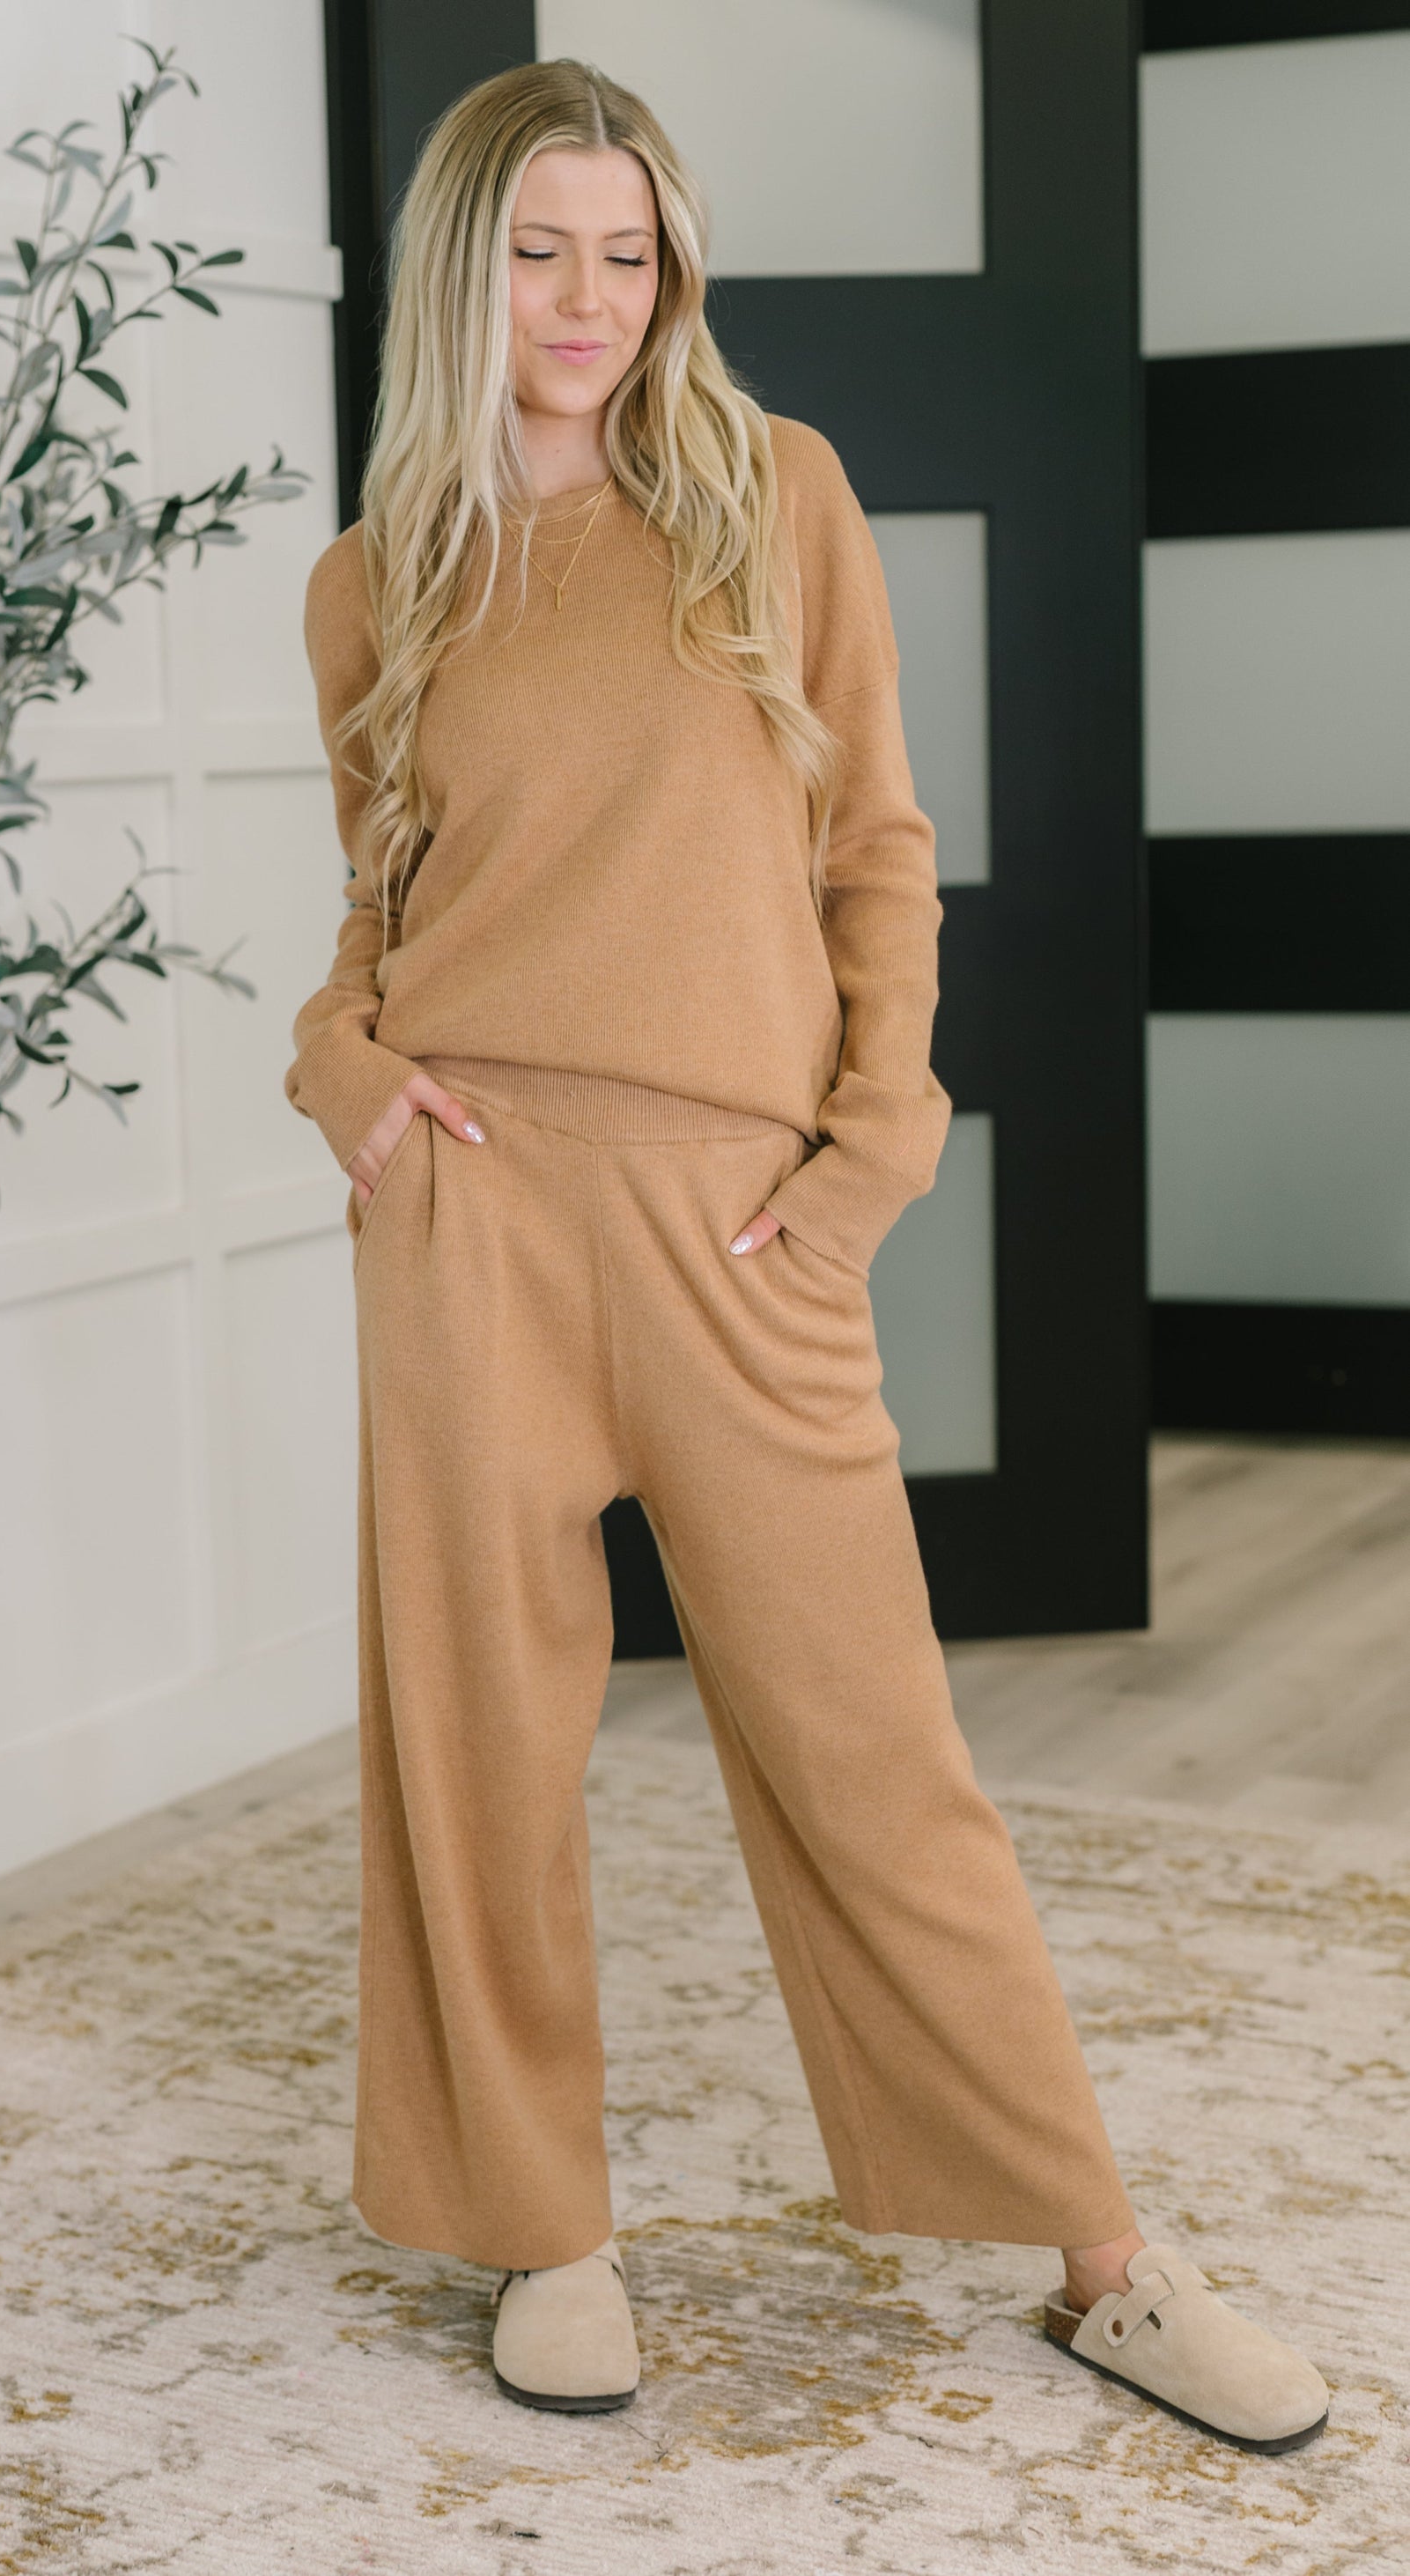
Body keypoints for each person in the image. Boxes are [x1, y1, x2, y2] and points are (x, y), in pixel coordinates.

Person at [284, 56, 1326, 2454]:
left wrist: (869, 1155)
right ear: (462, 271)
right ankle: (543, 2229)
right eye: (537, 251)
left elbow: (876, 846)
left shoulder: (773, 494)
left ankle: (1102, 2256)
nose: (586, 299)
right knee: (477, 1751)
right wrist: (342, 1076)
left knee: (874, 1751)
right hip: (468, 1212)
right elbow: (376, 909)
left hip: (737, 1218)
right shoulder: (370, 582)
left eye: (627, 251)